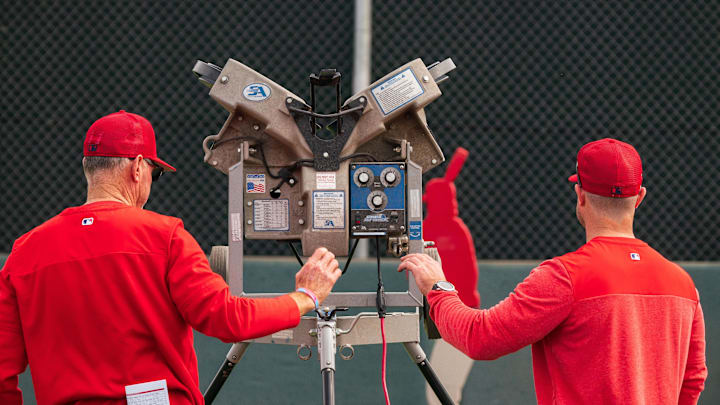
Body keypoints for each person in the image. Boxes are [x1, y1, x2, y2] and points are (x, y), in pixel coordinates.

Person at [0, 110, 342, 404]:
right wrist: (304, 297)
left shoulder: (25, 250)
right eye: (155, 172)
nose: (151, 181)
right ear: (137, 168)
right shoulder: (164, 236)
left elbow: (3, 371)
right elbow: (226, 319)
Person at [399, 138, 707, 404]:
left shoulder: (564, 277)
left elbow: (481, 338)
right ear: (639, 197)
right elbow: (692, 379)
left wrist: (437, 288)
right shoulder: (683, 284)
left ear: (580, 195)